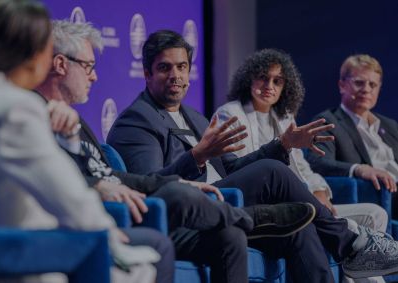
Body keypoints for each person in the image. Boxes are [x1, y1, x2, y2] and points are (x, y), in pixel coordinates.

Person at [34, 20, 317, 283]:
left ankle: (341, 238)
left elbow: (113, 174)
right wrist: (101, 185)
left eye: (182, 67)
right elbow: (56, 177)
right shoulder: (127, 120)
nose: (94, 76)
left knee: (230, 233)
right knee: (181, 191)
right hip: (129, 213)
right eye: (87, 66)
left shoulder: (194, 117)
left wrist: (176, 181)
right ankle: (252, 218)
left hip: (192, 204)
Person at [108, 29, 398, 281]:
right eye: (164, 68)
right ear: (147, 73)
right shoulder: (136, 122)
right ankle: (350, 243)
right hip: (193, 208)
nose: (176, 76)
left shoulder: (195, 117)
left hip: (227, 199)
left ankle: (348, 247)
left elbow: (234, 170)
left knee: (301, 224)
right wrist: (196, 156)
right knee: (271, 171)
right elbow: (151, 186)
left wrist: (283, 144)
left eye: (182, 67)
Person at [0, 1, 159, 282]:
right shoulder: (16, 107)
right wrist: (109, 234)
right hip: (10, 251)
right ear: (36, 54)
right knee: (139, 268)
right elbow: (67, 196)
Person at [215, 48, 389, 283]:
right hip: (267, 204)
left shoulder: (285, 117)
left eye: (278, 81)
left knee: (373, 213)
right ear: (249, 78)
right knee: (325, 223)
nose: (270, 86)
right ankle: (352, 247)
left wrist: (319, 191)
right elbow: (244, 171)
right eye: (263, 78)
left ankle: (357, 253)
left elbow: (303, 167)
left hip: (302, 199)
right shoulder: (231, 113)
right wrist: (282, 145)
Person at [306, 54, 398, 218]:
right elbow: (318, 162)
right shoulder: (328, 121)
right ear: (342, 85)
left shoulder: (390, 125)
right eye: (359, 83)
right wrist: (359, 169)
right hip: (382, 195)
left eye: (373, 84)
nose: (366, 89)